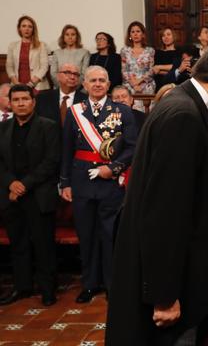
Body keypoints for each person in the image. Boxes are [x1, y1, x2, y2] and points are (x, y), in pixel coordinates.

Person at [106, 37, 208, 345]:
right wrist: (164, 296)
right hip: (175, 291)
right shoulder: (184, 116)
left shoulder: (189, 107)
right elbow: (165, 213)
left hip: (190, 278)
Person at [60, 66, 137, 304]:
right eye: (92, 80)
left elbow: (133, 147)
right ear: (84, 84)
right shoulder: (75, 112)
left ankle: (112, 284)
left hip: (109, 182)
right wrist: (65, 183)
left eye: (102, 80)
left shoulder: (122, 111)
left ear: (108, 83)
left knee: (109, 235)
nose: (97, 84)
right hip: (81, 181)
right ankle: (90, 284)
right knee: (87, 235)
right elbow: (66, 150)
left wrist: (112, 168)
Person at [0, 85, 60, 307]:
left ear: (33, 102)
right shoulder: (2, 128)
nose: (21, 103)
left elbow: (51, 161)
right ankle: (22, 287)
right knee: (19, 244)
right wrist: (11, 184)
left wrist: (23, 184)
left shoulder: (49, 127)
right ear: (10, 103)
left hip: (39, 195)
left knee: (43, 245)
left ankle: (47, 290)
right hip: (11, 197)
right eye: (16, 99)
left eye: (25, 98)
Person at [6, 15, 50, 91]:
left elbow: (44, 67)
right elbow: (9, 66)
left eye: (30, 27)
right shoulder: (12, 46)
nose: (27, 29)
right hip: (16, 85)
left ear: (33, 29)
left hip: (37, 86)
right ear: (19, 29)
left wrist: (30, 84)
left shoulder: (41, 45)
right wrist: (16, 84)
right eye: (24, 26)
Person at [36, 63, 86, 128]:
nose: (72, 77)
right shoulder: (42, 98)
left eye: (76, 74)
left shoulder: (86, 100)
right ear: (58, 76)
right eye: (67, 73)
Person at [121, 21, 155, 111]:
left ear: (143, 34)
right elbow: (124, 70)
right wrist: (134, 84)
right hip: (129, 86)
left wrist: (139, 82)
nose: (135, 34)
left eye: (138, 31)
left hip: (146, 85)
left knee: (146, 115)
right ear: (129, 35)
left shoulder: (150, 50)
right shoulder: (125, 51)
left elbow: (151, 70)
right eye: (133, 32)